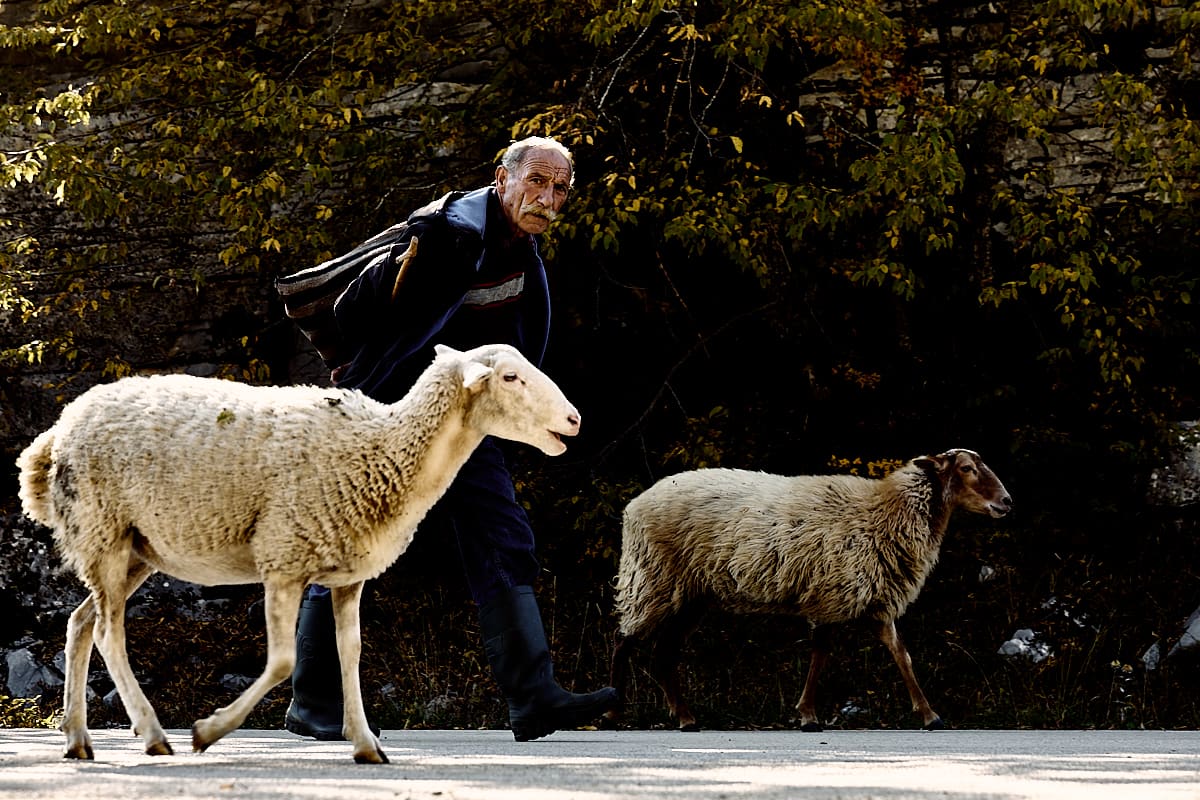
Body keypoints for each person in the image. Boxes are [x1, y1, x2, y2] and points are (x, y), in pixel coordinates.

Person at [284, 136, 618, 743]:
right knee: (350, 541)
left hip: (458, 414)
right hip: (389, 411)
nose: (546, 198)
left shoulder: (522, 249)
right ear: (503, 178)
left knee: (502, 530)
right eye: (536, 182)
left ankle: (533, 698)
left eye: (560, 188)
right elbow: (363, 312)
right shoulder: (451, 234)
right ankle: (314, 702)